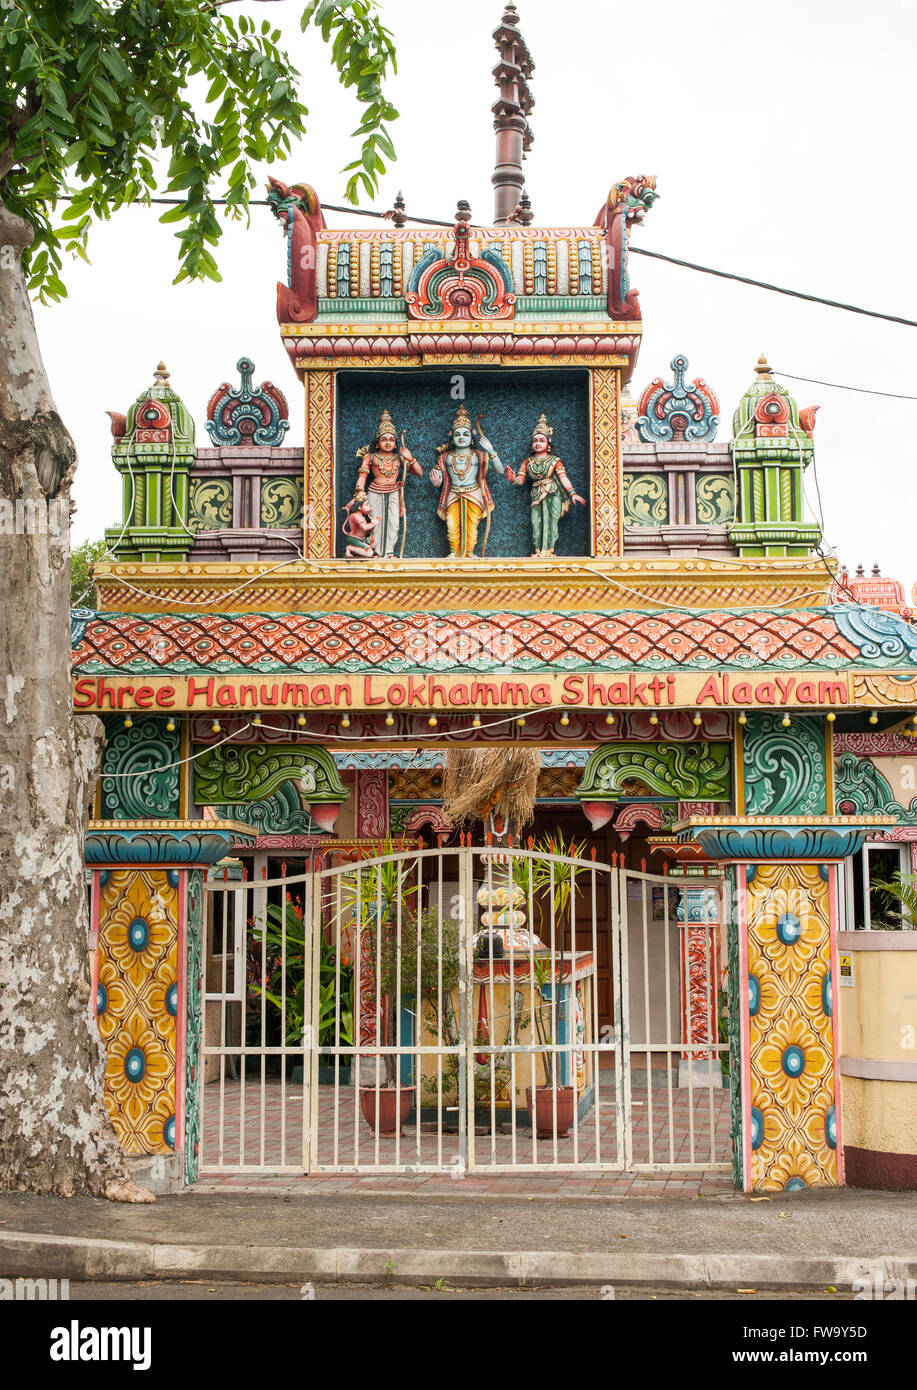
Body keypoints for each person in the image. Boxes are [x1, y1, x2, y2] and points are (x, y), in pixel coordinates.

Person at [506, 412, 585, 556]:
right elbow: (520, 481)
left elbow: (563, 478)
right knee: (536, 523)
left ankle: (549, 551)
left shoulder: (555, 461)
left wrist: (573, 493)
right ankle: (538, 551)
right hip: (536, 495)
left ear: (548, 443)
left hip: (552, 493)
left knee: (551, 523)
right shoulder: (527, 462)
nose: (537, 443)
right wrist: (512, 479)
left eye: (541, 440)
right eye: (535, 440)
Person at [430, 404, 503, 558]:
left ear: (471, 438)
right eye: (457, 434)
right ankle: (454, 551)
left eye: (465, 434)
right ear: (452, 437)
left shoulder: (478, 456)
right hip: (453, 493)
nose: (461, 437)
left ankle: (469, 552)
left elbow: (499, 470)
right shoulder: (445, 457)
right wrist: (436, 482)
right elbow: (439, 478)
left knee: (472, 525)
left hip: (474, 493)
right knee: (451, 524)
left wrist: (491, 451)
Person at [352, 408, 421, 557]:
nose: (388, 443)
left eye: (391, 440)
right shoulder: (370, 457)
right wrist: (359, 492)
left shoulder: (399, 459)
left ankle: (389, 551)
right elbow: (363, 475)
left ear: (396, 443)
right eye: (384, 439)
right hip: (375, 492)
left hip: (394, 492)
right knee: (375, 523)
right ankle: (376, 551)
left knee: (393, 524)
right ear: (377, 443)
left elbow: (419, 472)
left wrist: (410, 458)